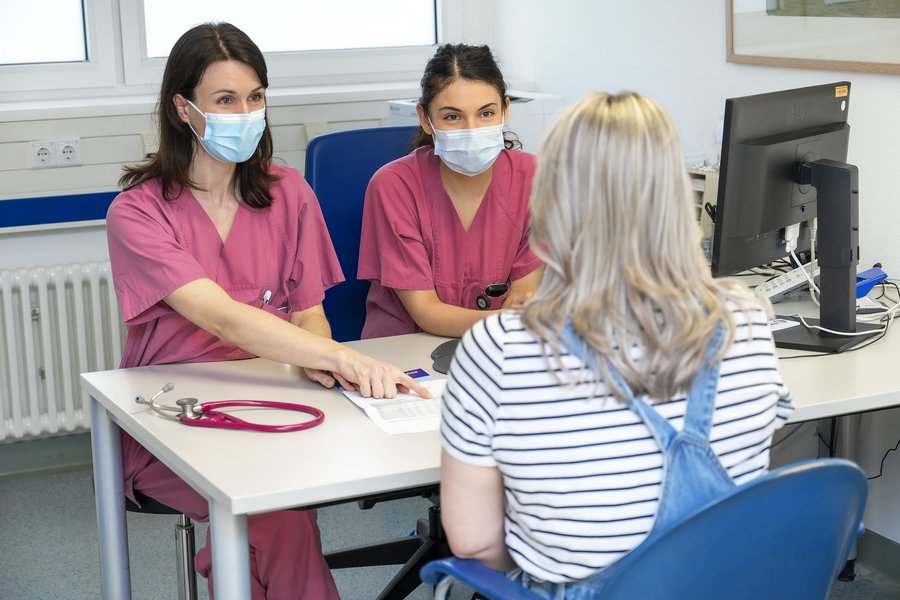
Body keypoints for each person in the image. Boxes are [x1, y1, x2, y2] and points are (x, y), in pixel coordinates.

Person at [106, 22, 427, 599]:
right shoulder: (138, 212)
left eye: (255, 98)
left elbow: (309, 315)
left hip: (276, 398)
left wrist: (317, 358)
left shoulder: (289, 191)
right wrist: (339, 358)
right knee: (277, 515)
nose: (245, 113)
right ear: (183, 108)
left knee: (278, 508)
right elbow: (224, 319)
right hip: (175, 415)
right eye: (225, 100)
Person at [438, 92, 794, 596]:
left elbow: (475, 546)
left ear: (550, 203)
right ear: (676, 198)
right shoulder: (748, 319)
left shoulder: (498, 349)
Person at [357, 43, 543, 339]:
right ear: (425, 119)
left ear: (506, 111)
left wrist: (512, 323)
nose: (472, 130)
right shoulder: (394, 185)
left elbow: (524, 294)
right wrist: (506, 324)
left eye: (486, 113)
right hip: (404, 350)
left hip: (499, 346)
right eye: (453, 117)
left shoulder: (536, 179)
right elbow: (425, 310)